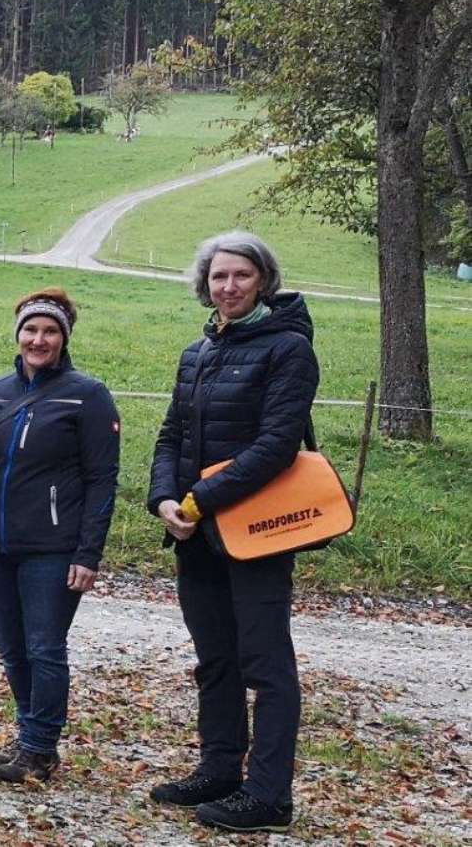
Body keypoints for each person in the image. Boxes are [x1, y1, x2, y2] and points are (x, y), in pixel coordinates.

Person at [146, 231, 319, 834]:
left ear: (263, 280)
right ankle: (221, 768)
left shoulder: (288, 349)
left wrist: (199, 500)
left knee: (265, 664)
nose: (228, 287)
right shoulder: (198, 352)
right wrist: (165, 498)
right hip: (197, 534)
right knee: (214, 658)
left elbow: (277, 445)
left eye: (241, 276)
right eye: (218, 277)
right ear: (205, 284)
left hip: (258, 533)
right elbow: (172, 433)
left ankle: (269, 795)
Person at [0, 287, 120, 784]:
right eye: (31, 329)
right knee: (13, 648)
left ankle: (40, 747)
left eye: (49, 331)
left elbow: (102, 479)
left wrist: (89, 552)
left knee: (45, 647)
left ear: (64, 338)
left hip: (52, 549)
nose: (38, 339)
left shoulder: (87, 395)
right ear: (18, 334)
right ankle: (30, 739)